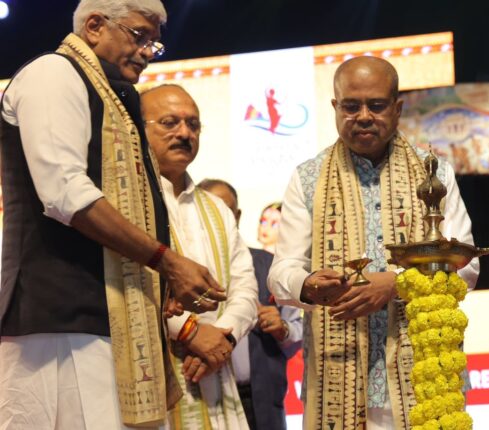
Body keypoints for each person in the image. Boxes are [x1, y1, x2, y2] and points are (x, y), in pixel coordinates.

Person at [0, 2, 227, 428]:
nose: (147, 52)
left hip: (110, 320)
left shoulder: (114, 97)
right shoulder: (53, 73)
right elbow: (64, 192)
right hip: (58, 323)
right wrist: (165, 261)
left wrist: (161, 282)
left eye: (154, 43)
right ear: (94, 26)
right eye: (139, 36)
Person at [268, 56, 479, 430]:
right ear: (335, 107)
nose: (363, 116)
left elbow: (467, 266)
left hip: (424, 375)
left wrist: (397, 284)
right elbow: (282, 271)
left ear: (397, 109)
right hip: (338, 378)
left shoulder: (434, 174)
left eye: (376, 105)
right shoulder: (308, 178)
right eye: (351, 106)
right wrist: (308, 283)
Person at [140, 84, 259, 429]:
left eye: (193, 124)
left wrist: (222, 339)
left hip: (216, 372)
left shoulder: (216, 208)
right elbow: (125, 282)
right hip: (152, 371)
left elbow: (245, 288)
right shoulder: (127, 203)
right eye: (169, 123)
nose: (184, 133)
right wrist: (191, 332)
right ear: (139, 129)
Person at [199, 180, 304, 430]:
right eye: (210, 210)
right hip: (205, 396)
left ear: (237, 215)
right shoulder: (183, 270)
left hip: (262, 400)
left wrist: (283, 328)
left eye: (225, 210)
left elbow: (298, 332)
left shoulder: (270, 266)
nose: (218, 218)